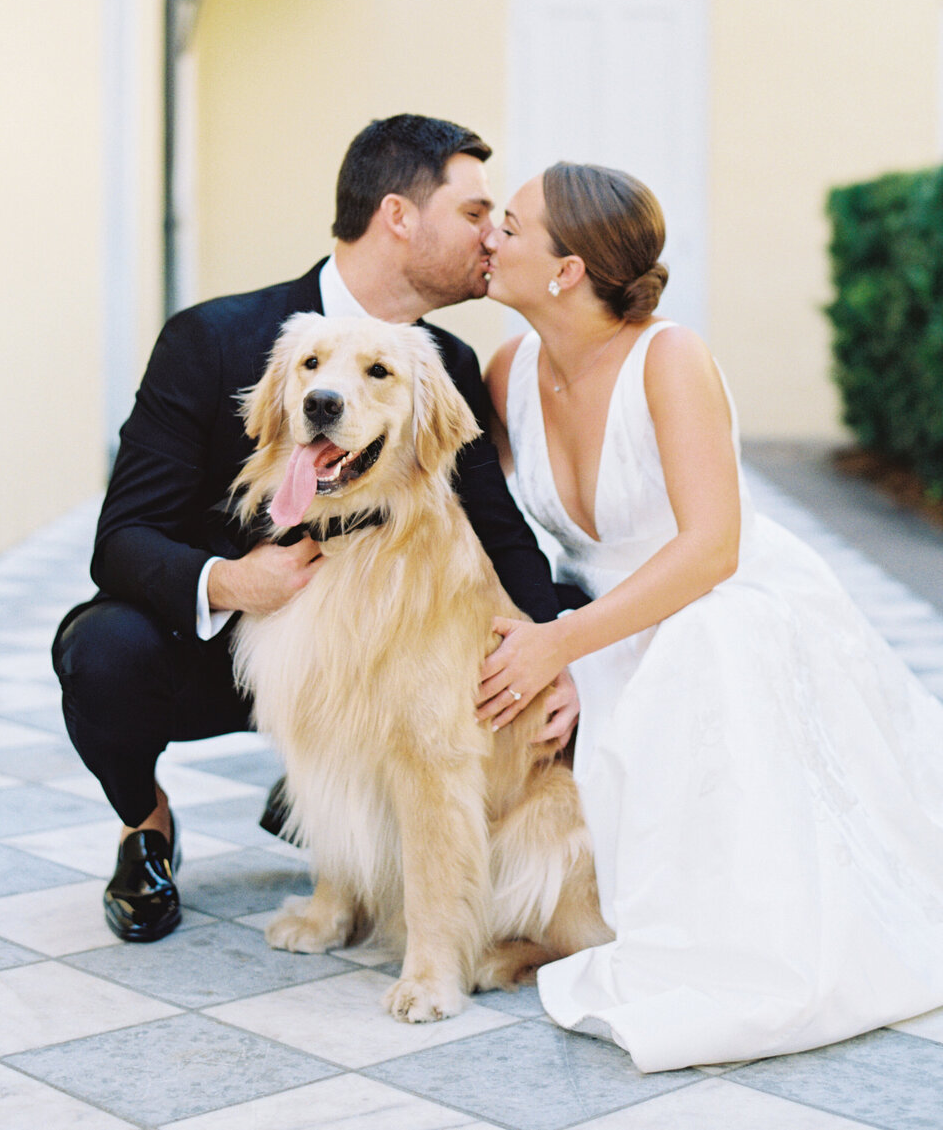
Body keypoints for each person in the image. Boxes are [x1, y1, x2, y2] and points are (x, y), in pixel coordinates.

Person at [476, 160, 943, 1074]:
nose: (490, 236)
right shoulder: (508, 369)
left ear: (566, 269)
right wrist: (550, 640)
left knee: (708, 649)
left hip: (721, 598)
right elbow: (493, 532)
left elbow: (712, 545)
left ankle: (728, 933)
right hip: (603, 614)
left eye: (511, 226)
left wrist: (565, 646)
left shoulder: (669, 359)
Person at [52, 115, 579, 944]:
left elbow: (499, 529)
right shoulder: (214, 339)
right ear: (401, 216)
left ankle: (359, 818)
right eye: (475, 212)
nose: (492, 236)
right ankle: (145, 820)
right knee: (101, 650)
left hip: (372, 650)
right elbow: (120, 538)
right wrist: (233, 580)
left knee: (565, 608)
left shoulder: (444, 363)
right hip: (238, 643)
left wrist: (555, 653)